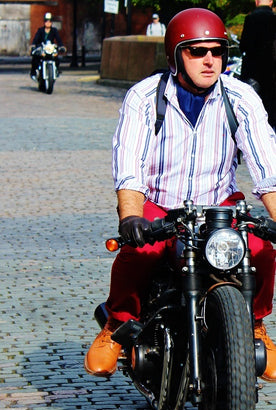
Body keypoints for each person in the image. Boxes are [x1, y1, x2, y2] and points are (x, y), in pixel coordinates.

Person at [84, 8, 276, 382]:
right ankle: (117, 325)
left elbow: (267, 167)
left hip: (218, 202)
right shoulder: (144, 97)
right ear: (175, 55)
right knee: (140, 251)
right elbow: (130, 165)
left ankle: (254, 326)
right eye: (197, 51)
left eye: (217, 51)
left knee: (263, 249)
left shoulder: (240, 97)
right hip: (159, 202)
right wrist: (131, 218)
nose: (210, 60)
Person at [240, 0, 276, 130]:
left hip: (253, 73)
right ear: (271, 2)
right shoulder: (273, 19)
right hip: (271, 74)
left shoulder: (250, 18)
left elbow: (243, 45)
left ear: (256, 2)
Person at [30, 12, 65, 80]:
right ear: (44, 22)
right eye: (46, 21)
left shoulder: (54, 30)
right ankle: (34, 73)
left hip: (50, 49)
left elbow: (58, 39)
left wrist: (61, 46)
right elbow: (36, 39)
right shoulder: (40, 30)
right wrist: (34, 45)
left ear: (51, 22)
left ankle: (56, 70)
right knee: (35, 58)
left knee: (56, 58)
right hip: (42, 48)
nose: (48, 22)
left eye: (49, 21)